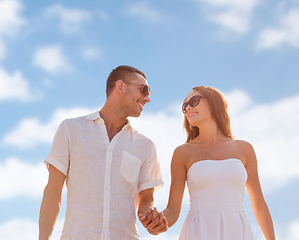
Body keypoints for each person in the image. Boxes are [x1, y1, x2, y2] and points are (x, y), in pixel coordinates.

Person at [39, 65, 169, 240]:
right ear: (120, 87)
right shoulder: (71, 130)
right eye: (144, 89)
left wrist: (151, 219)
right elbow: (53, 192)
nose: (148, 98)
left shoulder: (145, 146)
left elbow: (146, 200)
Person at [160, 86, 276, 239]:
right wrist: (157, 221)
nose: (187, 107)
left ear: (214, 103)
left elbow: (259, 204)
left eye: (194, 101)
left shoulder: (244, 149)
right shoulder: (182, 153)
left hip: (238, 232)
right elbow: (173, 211)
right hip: (198, 232)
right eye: (184, 105)